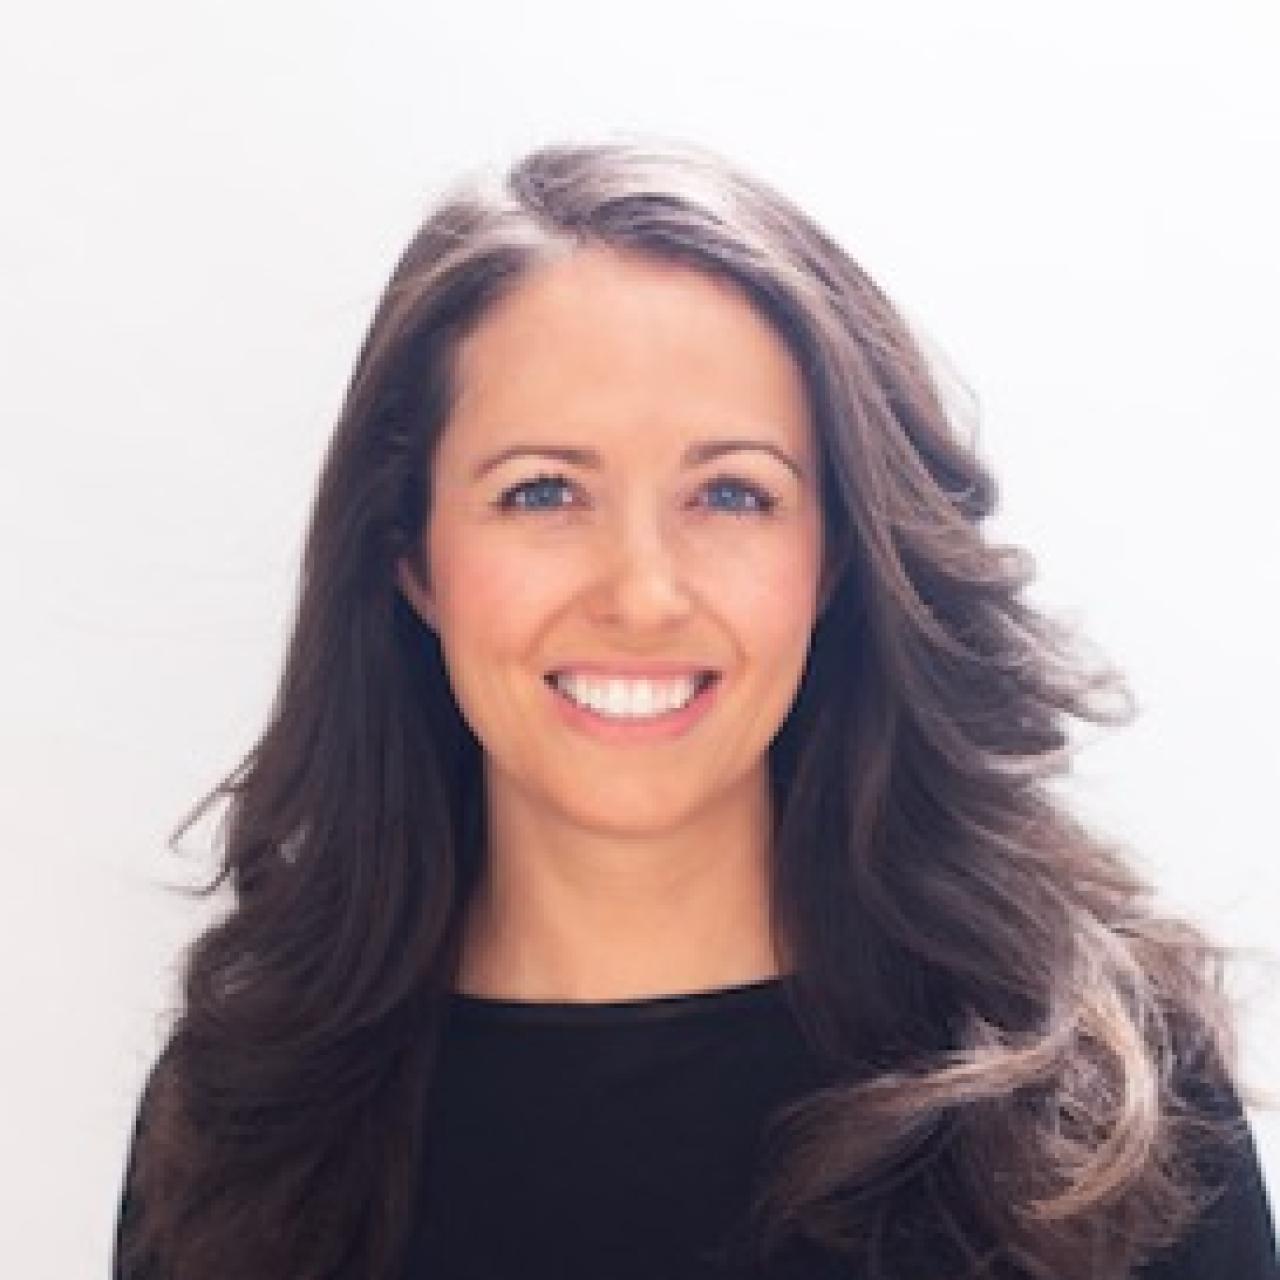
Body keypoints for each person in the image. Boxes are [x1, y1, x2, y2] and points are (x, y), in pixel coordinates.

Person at [112, 137, 1278, 1280]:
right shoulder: (250, 1119)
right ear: (410, 556)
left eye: (730, 492)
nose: (643, 592)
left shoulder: (1099, 1110)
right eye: (542, 491)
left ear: (833, 556)